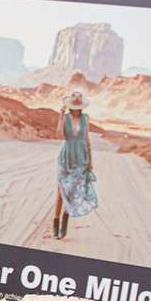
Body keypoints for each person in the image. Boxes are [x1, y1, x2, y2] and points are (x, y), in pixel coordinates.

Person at [53, 90, 97, 239]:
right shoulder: (65, 118)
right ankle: (55, 224)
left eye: (78, 107)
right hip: (65, 157)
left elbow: (87, 139)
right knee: (60, 192)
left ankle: (65, 220)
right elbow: (60, 135)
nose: (76, 110)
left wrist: (90, 160)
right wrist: (61, 117)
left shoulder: (86, 118)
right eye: (73, 107)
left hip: (80, 158)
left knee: (71, 191)